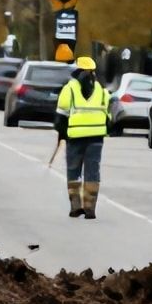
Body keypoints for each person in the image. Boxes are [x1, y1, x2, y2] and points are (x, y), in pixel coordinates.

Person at [55, 56, 111, 218]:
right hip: (96, 137)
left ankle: (75, 206)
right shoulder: (101, 90)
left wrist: (61, 134)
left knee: (74, 171)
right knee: (92, 172)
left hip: (75, 137)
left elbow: (61, 115)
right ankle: (90, 209)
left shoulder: (70, 88)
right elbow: (108, 114)